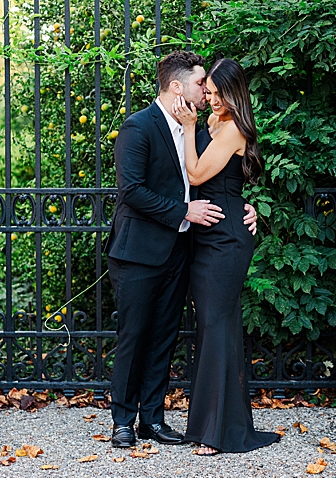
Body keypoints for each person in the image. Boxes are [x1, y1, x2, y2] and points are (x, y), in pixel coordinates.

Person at [105, 50, 258, 448]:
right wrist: (182, 211)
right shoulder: (138, 127)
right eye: (199, 83)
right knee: (133, 336)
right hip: (138, 252)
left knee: (164, 339)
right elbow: (132, 192)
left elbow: (217, 176)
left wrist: (243, 205)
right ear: (177, 87)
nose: (205, 90)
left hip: (182, 250)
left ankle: (152, 420)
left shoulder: (205, 126)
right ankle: (123, 420)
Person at [171, 57, 279, 455]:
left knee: (216, 327)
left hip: (227, 240)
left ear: (233, 94)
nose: (211, 100)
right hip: (207, 234)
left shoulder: (231, 128)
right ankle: (226, 427)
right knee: (217, 328)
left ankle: (214, 435)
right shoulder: (216, 123)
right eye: (209, 93)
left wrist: (189, 128)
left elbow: (197, 175)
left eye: (218, 94)